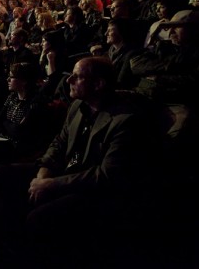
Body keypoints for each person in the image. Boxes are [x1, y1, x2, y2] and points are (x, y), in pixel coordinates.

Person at [22, 56, 159, 267]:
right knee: (2, 174)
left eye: (77, 77)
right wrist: (44, 171)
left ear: (98, 84)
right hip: (65, 172)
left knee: (38, 219)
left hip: (94, 190)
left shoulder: (125, 121)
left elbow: (107, 175)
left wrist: (51, 184)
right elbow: (59, 142)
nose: (69, 80)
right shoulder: (78, 106)